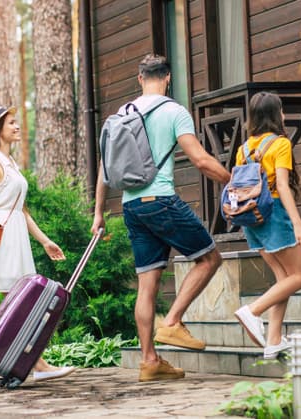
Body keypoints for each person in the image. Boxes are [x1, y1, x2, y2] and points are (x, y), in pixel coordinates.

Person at [91, 54, 231, 382]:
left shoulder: (122, 114)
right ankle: (172, 323)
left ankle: (149, 361)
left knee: (147, 284)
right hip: (161, 201)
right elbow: (199, 159)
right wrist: (231, 179)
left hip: (132, 207)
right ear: (167, 78)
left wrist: (98, 212)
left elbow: (105, 169)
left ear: (140, 79)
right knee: (209, 258)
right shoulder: (173, 111)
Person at [0, 104, 74, 384]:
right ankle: (29, 365)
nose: (17, 126)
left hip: (13, 238)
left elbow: (22, 210)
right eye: (11, 123)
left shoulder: (11, 164)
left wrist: (45, 241)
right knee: (0, 302)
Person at [231, 92, 301, 359]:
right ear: (277, 114)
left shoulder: (243, 149)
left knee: (283, 278)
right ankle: (253, 311)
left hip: (251, 218)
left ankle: (274, 340)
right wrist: (299, 224)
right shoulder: (280, 144)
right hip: (274, 214)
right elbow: (281, 186)